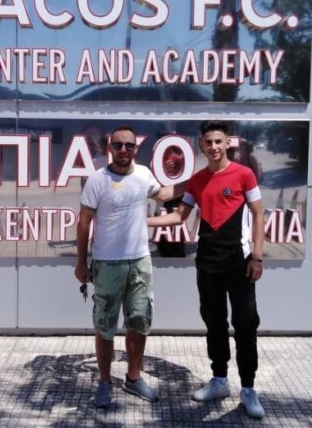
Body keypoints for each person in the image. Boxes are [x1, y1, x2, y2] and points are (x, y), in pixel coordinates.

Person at [147, 120, 266, 419]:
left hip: (240, 263)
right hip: (208, 263)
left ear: (227, 143)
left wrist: (257, 257)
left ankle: (248, 389)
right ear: (201, 145)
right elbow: (179, 217)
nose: (213, 147)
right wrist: (142, 221)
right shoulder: (197, 180)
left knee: (245, 324)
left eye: (218, 141)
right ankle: (219, 380)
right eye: (208, 142)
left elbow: (258, 215)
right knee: (215, 324)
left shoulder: (244, 174)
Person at [75, 126, 183, 408]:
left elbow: (163, 194)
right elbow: (84, 222)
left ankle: (133, 379)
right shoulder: (97, 180)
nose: (124, 150)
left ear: (136, 148)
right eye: (118, 145)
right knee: (105, 326)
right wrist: (81, 262)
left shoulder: (144, 174)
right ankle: (104, 382)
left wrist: (195, 182)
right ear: (110, 147)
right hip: (107, 264)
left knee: (139, 322)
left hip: (140, 262)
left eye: (129, 145)